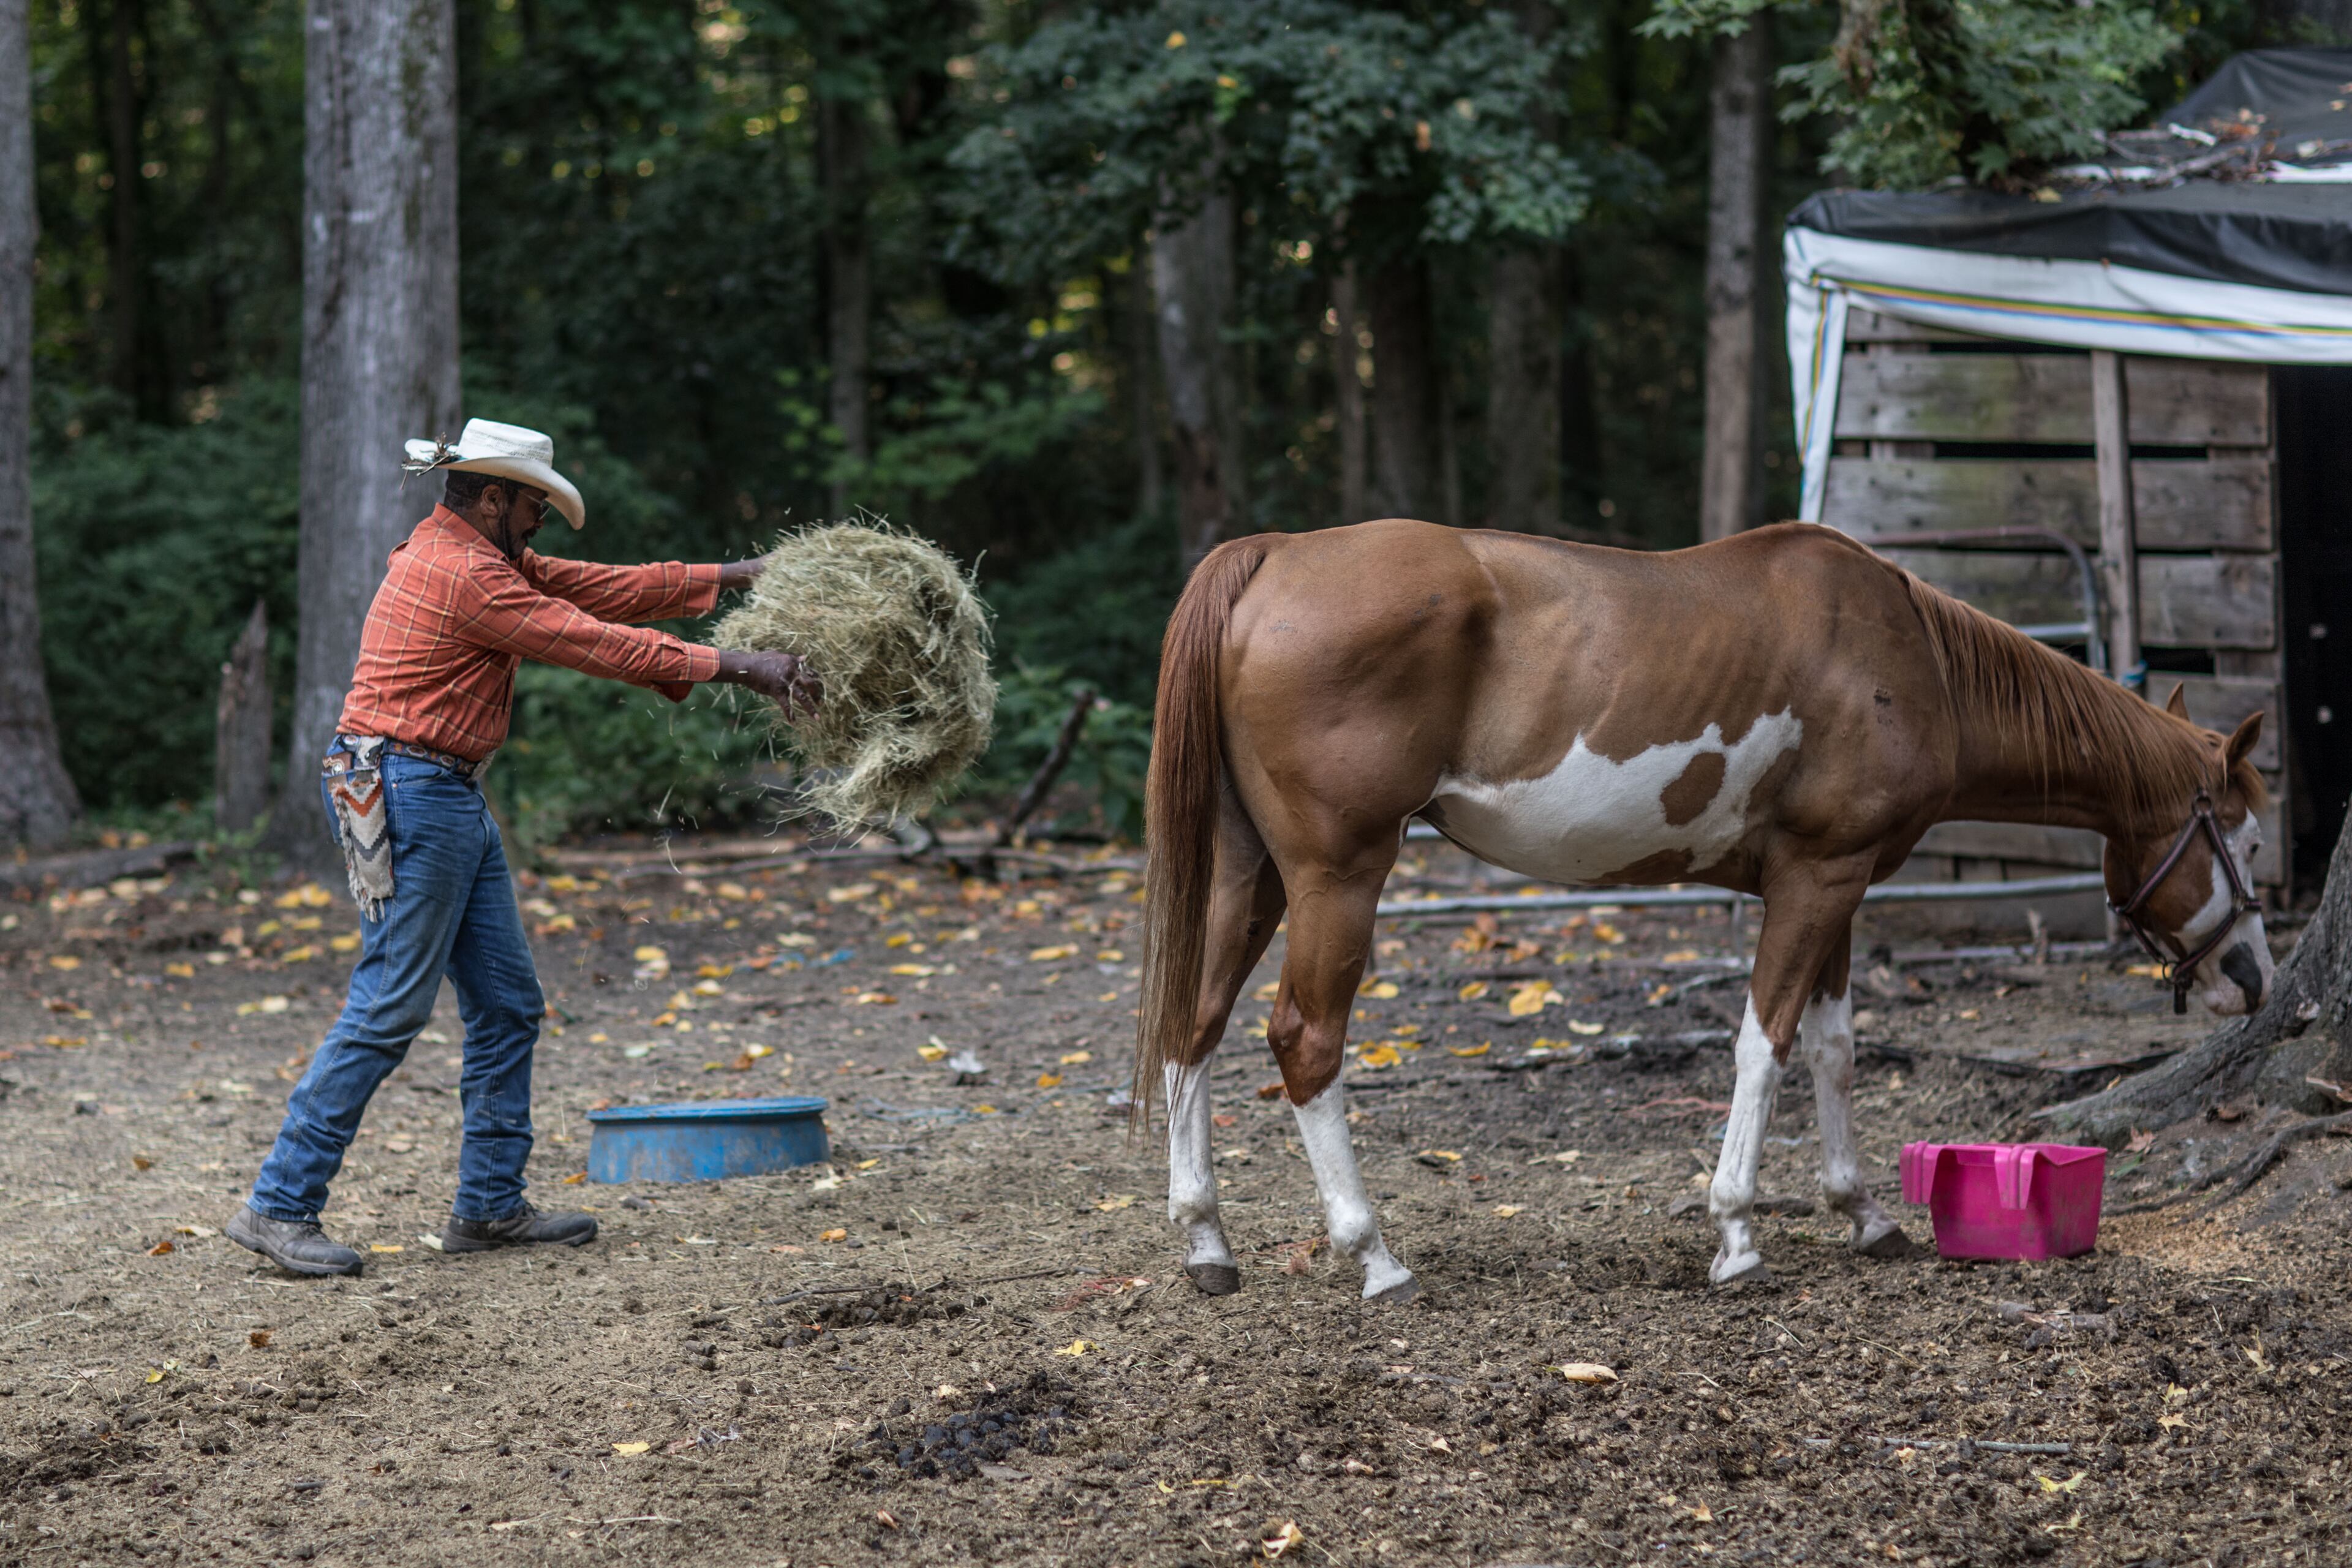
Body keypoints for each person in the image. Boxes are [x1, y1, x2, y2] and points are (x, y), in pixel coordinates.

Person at [228, 419, 816, 1277]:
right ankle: (280, 1204)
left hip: (434, 789)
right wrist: (739, 666)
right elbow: (589, 640)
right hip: (407, 789)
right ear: (495, 496)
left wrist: (733, 576)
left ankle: (492, 1206)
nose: (541, 518)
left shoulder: (478, 554)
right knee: (390, 1003)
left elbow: (600, 589)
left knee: (507, 1006)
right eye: (535, 501)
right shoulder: (466, 574)